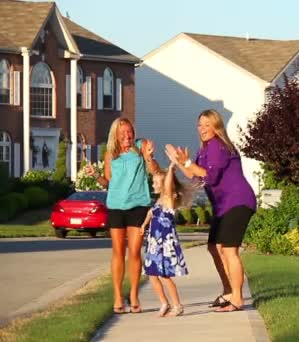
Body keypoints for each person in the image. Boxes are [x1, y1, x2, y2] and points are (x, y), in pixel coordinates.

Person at [165, 109, 256, 312]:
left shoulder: (218, 146)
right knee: (214, 248)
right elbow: (196, 177)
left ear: (216, 127)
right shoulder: (205, 150)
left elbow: (211, 176)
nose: (202, 128)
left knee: (229, 250)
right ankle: (228, 291)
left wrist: (186, 162)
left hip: (238, 201)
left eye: (207, 124)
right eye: (200, 125)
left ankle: (237, 298)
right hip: (223, 205)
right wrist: (179, 162)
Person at [84, 117, 159, 314]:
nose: (127, 135)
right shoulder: (111, 153)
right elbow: (108, 182)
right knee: (118, 251)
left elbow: (155, 171)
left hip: (138, 206)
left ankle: (134, 294)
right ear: (115, 135)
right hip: (116, 206)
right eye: (122, 132)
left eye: (129, 131)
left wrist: (149, 156)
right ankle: (117, 296)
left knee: (134, 252)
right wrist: (94, 175)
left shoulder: (141, 146)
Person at [140, 161, 188, 317]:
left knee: (165, 275)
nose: (152, 184)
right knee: (152, 274)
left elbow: (168, 184)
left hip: (165, 243)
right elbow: (150, 213)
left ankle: (177, 306)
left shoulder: (169, 199)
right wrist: (144, 225)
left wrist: (171, 169)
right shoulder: (159, 201)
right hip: (154, 242)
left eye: (155, 182)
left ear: (164, 185)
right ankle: (164, 303)